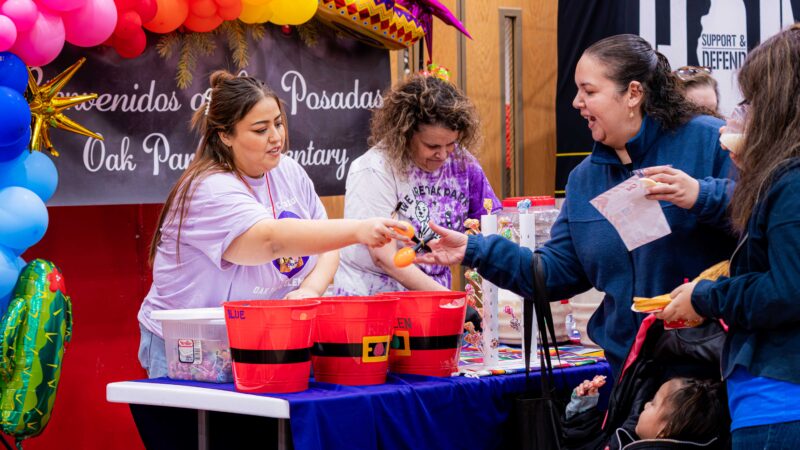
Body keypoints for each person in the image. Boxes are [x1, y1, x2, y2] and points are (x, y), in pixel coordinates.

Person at [416, 34, 737, 377]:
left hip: (713, 372)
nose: (576, 102)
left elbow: (763, 216)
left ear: (633, 93)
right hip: (629, 376)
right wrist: (475, 249)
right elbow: (553, 273)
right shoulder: (585, 180)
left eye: (589, 91)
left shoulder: (711, 141)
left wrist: (700, 195)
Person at [138, 71, 406, 378]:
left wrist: (310, 290)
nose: (276, 137)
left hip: (259, 341)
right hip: (191, 346)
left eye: (278, 123)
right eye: (260, 129)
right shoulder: (209, 188)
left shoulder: (288, 170)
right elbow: (270, 242)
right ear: (225, 136)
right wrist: (358, 230)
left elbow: (326, 245)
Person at [657, 25, 800, 448]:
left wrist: (706, 296)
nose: (743, 113)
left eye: (753, 100)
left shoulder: (790, 182)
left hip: (779, 400)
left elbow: (788, 290)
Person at [333, 73, 500, 296]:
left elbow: (492, 226)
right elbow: (386, 258)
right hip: (375, 300)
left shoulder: (463, 163)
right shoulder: (375, 168)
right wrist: (448, 299)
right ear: (406, 134)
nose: (443, 155)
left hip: (434, 299)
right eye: (432, 146)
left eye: (451, 144)